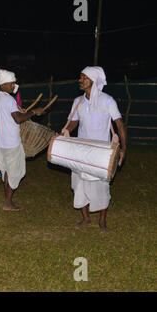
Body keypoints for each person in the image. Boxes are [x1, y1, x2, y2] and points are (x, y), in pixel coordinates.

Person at [62, 66, 126, 232]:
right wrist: (66, 130)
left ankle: (102, 221)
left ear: (94, 80)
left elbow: (119, 123)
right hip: (81, 150)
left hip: (101, 152)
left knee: (101, 187)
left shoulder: (107, 100)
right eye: (81, 77)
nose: (80, 80)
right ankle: (85, 218)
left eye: (84, 77)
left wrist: (123, 149)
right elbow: (74, 121)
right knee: (79, 184)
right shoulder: (78, 101)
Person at [0, 69, 44, 211]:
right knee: (15, 173)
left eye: (14, 83)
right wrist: (33, 112)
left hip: (1, 141)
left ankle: (8, 200)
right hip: (11, 143)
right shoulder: (8, 99)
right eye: (11, 83)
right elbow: (18, 119)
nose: (14, 86)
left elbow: (7, 116)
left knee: (8, 171)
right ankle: (8, 202)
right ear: (3, 84)